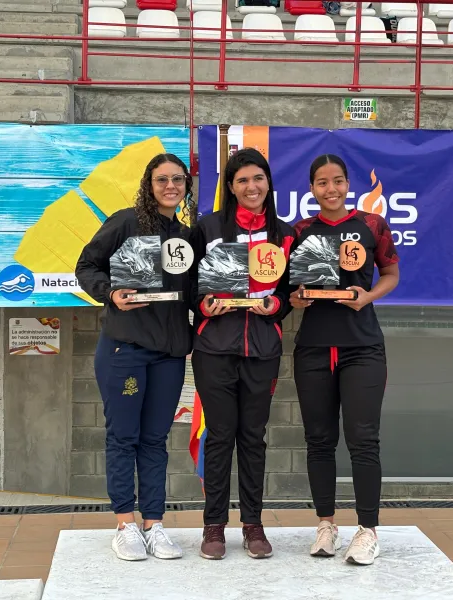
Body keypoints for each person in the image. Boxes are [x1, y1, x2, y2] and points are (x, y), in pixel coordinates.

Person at [75, 153, 196, 562]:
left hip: (169, 354)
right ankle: (125, 524)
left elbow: (195, 289)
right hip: (125, 349)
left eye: (177, 179)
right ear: (149, 184)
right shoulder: (126, 223)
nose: (170, 186)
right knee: (123, 436)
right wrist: (110, 292)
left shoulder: (187, 236)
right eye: (162, 179)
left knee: (155, 439)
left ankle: (154, 524)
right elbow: (86, 265)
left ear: (186, 185)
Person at [289, 154, 400, 566]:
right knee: (319, 440)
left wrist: (367, 297)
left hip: (362, 347)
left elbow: (391, 273)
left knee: (363, 439)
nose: (330, 189)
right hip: (314, 348)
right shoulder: (300, 231)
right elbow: (288, 286)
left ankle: (368, 530)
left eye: (337, 181)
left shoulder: (372, 224)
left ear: (348, 184)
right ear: (312, 188)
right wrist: (295, 298)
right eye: (322, 182)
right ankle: (326, 525)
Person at [190, 148, 294, 560]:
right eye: (242, 180)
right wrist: (203, 305)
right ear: (230, 187)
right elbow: (189, 284)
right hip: (214, 348)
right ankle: (214, 525)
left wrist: (277, 305)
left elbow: (290, 290)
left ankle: (253, 525)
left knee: (253, 438)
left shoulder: (285, 233)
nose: (252, 187)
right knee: (219, 436)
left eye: (258, 178)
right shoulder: (208, 228)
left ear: (268, 182)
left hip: (262, 350)